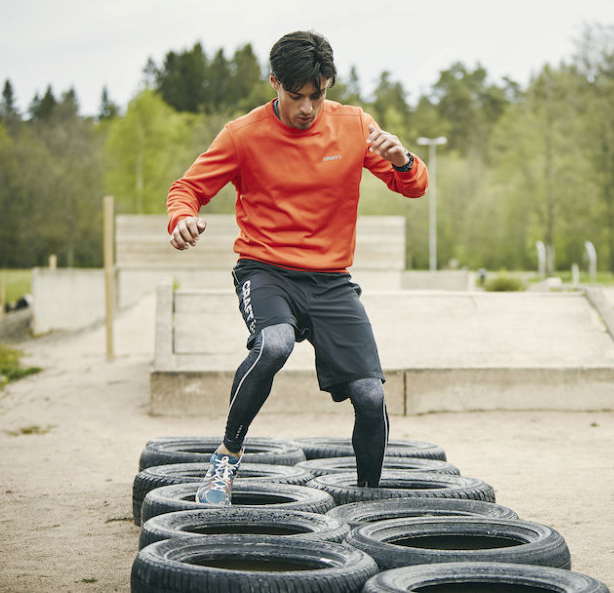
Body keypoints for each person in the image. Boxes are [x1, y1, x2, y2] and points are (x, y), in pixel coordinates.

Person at [166, 30, 429, 504]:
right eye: (296, 96)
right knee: (275, 343)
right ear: (274, 83)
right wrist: (182, 217)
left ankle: (368, 501)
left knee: (371, 396)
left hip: (330, 281)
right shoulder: (242, 135)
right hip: (265, 270)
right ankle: (225, 460)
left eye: (317, 95)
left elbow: (413, 187)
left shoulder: (354, 125)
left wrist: (403, 160)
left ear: (327, 85)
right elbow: (187, 188)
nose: (307, 107)